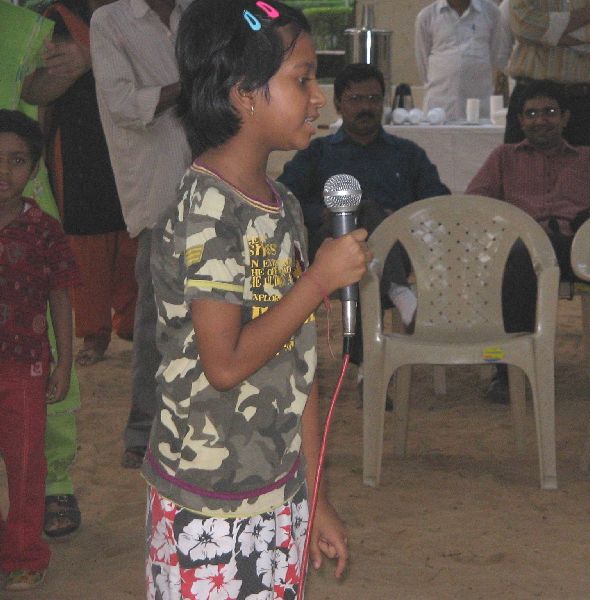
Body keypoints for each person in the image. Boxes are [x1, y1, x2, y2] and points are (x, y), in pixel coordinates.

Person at [141, 1, 365, 596]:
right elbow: (224, 364)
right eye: (302, 79)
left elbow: (298, 364)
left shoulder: (281, 204)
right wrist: (317, 283)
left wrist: (315, 494)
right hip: (209, 503)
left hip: (278, 485)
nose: (318, 98)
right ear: (244, 93)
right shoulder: (209, 209)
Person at [466, 80, 590, 402]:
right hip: (523, 248)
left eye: (549, 112)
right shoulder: (503, 158)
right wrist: (505, 225)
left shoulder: (588, 158)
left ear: (565, 118)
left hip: (575, 248)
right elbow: (475, 204)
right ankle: (511, 372)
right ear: (520, 120)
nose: (540, 120)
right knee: (517, 257)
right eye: (531, 114)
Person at [279, 63, 450, 365]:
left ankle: (363, 365)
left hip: (398, 248)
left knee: (370, 221)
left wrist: (401, 217)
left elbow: (437, 202)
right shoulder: (317, 153)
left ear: (383, 103)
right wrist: (326, 214)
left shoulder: (407, 154)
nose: (365, 107)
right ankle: (398, 291)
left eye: (373, 99)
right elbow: (284, 198)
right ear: (338, 104)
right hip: (332, 248)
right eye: (356, 99)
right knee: (359, 212)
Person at [90, 0, 193, 469]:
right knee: (155, 318)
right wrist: (193, 84)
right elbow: (125, 106)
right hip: (159, 192)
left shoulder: (201, 14)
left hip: (220, 183)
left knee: (224, 308)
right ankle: (144, 428)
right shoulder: (110, 21)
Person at [1, 0, 84, 542]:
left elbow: (35, 89)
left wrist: (80, 60)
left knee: (41, 357)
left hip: (22, 218)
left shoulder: (14, 23)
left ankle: (53, 482)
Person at [22, 0, 138, 369]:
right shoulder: (56, 15)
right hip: (78, 143)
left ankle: (136, 321)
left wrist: (93, 54)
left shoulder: (146, 12)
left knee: (137, 232)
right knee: (86, 238)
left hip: (135, 139)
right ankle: (94, 332)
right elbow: (34, 91)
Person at [0, 109, 80, 591]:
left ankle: (25, 553)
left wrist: (64, 362)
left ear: (33, 169)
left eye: (16, 160)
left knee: (27, 463)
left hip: (25, 368)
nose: (3, 172)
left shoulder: (44, 229)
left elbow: (60, 297)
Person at [503, 0, 590, 164]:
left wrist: (552, 36)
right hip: (532, 98)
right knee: (521, 174)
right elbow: (523, 25)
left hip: (585, 101)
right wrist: (584, 15)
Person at [415, 0, 510, 121]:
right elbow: (423, 64)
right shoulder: (427, 16)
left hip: (479, 108)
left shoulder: (491, 12)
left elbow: (495, 56)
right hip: (439, 110)